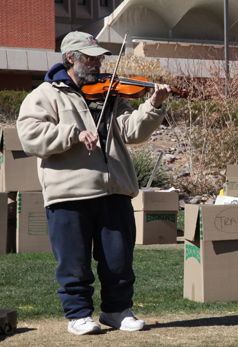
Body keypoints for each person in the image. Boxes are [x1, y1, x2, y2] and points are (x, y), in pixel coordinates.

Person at [16, 31, 172, 335]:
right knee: (74, 264)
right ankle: (78, 316)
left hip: (114, 189)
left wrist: (153, 105)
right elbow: (30, 137)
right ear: (71, 58)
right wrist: (72, 135)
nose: (98, 63)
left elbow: (131, 132)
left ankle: (116, 311)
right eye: (90, 57)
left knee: (119, 261)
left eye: (100, 57)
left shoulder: (109, 95)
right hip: (69, 193)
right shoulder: (44, 95)